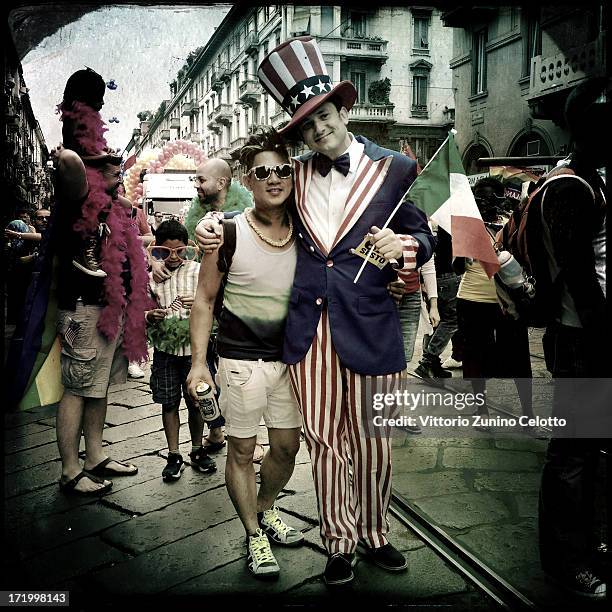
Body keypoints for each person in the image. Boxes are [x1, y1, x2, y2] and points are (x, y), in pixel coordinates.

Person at [255, 37, 435, 585]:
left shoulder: (397, 169)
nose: (318, 131)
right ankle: (338, 541)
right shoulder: (299, 175)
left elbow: (425, 238)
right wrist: (218, 227)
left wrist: (402, 251)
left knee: (374, 439)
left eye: (325, 117)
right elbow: (258, 208)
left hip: (372, 325)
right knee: (326, 440)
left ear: (343, 110)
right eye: (307, 126)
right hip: (310, 331)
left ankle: (375, 533)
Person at [187, 129, 304, 579]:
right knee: (240, 450)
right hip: (239, 361)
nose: (273, 179)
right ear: (247, 180)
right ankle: (254, 533)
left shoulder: (307, 233)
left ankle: (265, 507)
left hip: (290, 361)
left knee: (287, 448)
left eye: (281, 170)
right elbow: (203, 299)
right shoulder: (227, 232)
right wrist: (199, 362)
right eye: (263, 173)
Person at [537, 78, 608, 598]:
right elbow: (580, 276)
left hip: (593, 337)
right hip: (584, 339)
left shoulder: (597, 181)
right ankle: (567, 561)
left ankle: (587, 542)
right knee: (574, 454)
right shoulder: (570, 186)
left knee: (591, 450)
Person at [454, 178, 535, 433]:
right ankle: (481, 412)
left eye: (489, 198)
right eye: (479, 199)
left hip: (507, 302)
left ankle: (528, 415)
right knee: (474, 357)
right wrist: (464, 245)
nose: (484, 203)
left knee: (520, 357)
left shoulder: (511, 222)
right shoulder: (466, 226)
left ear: (501, 198)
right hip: (472, 298)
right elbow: (457, 267)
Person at [145, 219, 216, 481]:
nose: (173, 257)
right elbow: (138, 307)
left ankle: (197, 449)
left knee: (196, 402)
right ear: (157, 250)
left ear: (188, 248)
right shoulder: (152, 274)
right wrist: (148, 315)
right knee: (168, 402)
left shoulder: (199, 271)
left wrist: (199, 300)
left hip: (193, 350)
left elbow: (213, 299)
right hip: (164, 351)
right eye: (166, 252)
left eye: (179, 251)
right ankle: (173, 453)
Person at [415, 226, 460, 379]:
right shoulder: (446, 225)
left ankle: (432, 365)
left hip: (432, 279)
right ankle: (428, 361)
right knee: (451, 320)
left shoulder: (424, 228)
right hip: (447, 276)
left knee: (433, 321)